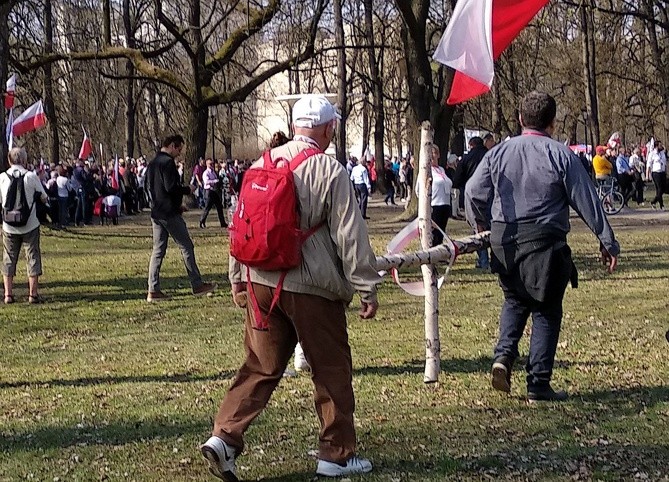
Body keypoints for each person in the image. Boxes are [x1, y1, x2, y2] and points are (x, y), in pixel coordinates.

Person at [201, 95, 380, 480]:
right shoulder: (328, 170)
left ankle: (224, 436)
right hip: (310, 285)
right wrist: (367, 286)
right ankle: (336, 455)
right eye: (332, 126)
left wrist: (237, 277)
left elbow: (241, 225)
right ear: (326, 128)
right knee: (330, 368)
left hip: (260, 281)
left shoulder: (260, 163)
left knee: (260, 365)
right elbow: (350, 234)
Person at [466, 91, 619, 402]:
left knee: (515, 300)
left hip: (505, 240)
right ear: (552, 122)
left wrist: (480, 224)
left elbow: (472, 192)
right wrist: (607, 242)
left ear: (521, 119)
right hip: (545, 242)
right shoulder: (561, 155)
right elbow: (586, 200)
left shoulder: (497, 154)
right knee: (547, 310)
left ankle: (503, 356)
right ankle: (538, 383)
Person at [144, 134, 217, 302]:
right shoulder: (167, 163)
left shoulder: (153, 163)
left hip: (157, 212)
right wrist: (188, 190)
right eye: (179, 149)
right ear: (172, 146)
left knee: (158, 251)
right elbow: (171, 187)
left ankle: (153, 289)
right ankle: (197, 284)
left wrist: (175, 205)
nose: (179, 152)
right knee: (186, 246)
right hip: (169, 214)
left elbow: (153, 189)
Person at [0, 148, 48, 304]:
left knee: (8, 258)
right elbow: (44, 198)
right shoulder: (31, 177)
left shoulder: (2, 178)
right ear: (24, 161)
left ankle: (8, 294)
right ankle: (32, 294)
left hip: (9, 225)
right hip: (30, 224)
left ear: (9, 160)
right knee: (32, 257)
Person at [453, 136, 490, 268]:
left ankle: (483, 260)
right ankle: (496, 259)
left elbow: (456, 181)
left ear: (471, 145)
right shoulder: (490, 156)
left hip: (472, 196)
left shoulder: (466, 159)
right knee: (493, 227)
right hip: (491, 195)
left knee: (477, 228)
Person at [415, 145, 453, 246]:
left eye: (434, 153)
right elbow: (418, 190)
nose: (432, 156)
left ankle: (440, 254)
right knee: (434, 233)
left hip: (445, 204)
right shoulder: (425, 170)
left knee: (441, 232)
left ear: (438, 155)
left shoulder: (441, 169)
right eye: (430, 153)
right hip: (434, 205)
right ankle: (432, 253)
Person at [199, 158, 227, 229]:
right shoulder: (206, 173)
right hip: (209, 191)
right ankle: (202, 221)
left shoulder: (213, 172)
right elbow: (206, 182)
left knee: (219, 207)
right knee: (207, 208)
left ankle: (222, 223)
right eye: (209, 164)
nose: (211, 165)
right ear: (206, 164)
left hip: (214, 191)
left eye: (212, 164)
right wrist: (215, 181)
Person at [648, 141, 666, 210]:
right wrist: (648, 174)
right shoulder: (652, 154)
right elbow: (649, 164)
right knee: (659, 188)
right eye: (660, 145)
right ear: (656, 146)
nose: (661, 146)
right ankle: (661, 205)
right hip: (656, 172)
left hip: (662, 172)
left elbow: (664, 163)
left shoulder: (662, 153)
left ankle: (654, 202)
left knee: (663, 189)